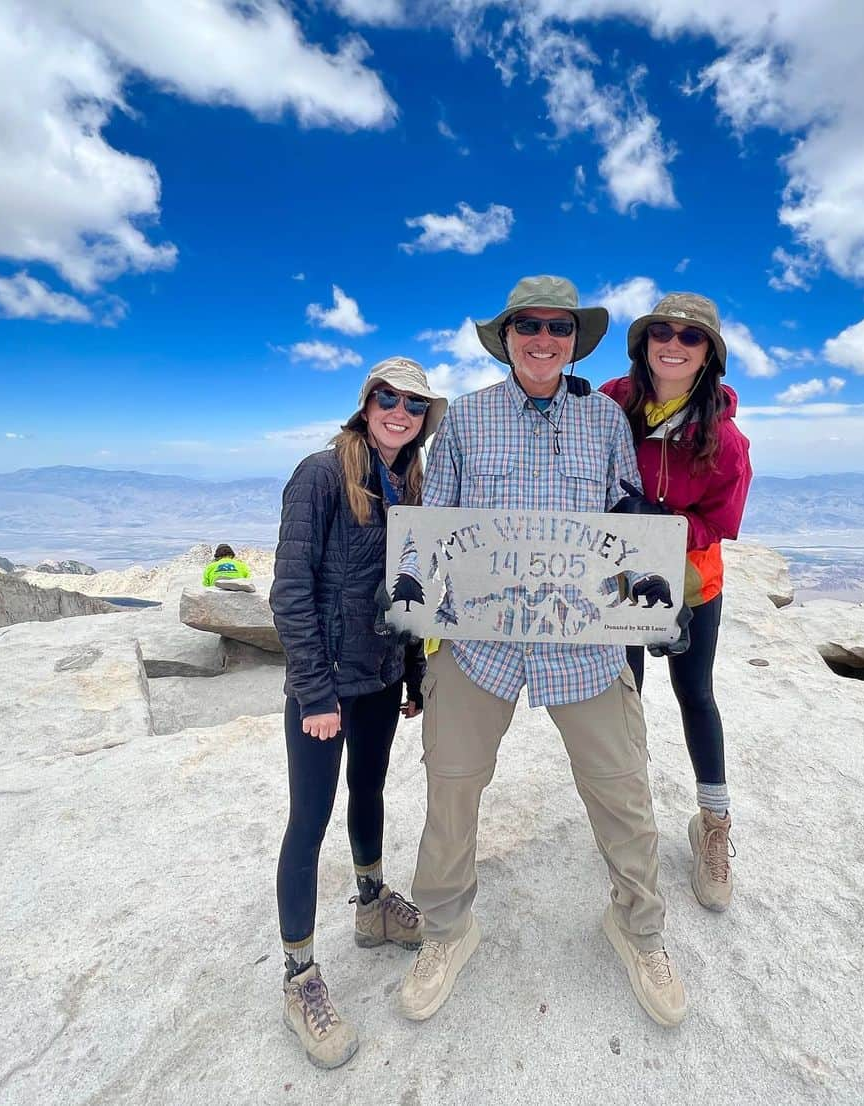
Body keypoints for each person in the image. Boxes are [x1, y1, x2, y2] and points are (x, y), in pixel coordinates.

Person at [396, 276, 687, 1029]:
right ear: (509, 334)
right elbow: (438, 523)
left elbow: (627, 527)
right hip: (480, 641)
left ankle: (638, 927)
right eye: (530, 324)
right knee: (451, 789)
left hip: (583, 644)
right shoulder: (464, 418)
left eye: (560, 327)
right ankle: (447, 930)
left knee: (623, 791)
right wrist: (411, 620)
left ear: (573, 339)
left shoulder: (603, 420)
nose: (544, 338)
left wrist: (656, 601)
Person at [270, 356, 448, 1068]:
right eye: (387, 397)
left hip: (377, 678)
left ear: (424, 418)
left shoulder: (411, 483)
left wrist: (410, 670)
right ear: (365, 404)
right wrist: (314, 693)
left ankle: (371, 903)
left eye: (413, 403)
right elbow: (290, 592)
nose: (399, 411)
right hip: (326, 686)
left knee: (369, 791)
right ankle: (299, 978)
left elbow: (408, 591)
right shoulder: (319, 474)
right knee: (308, 822)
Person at [601, 293, 752, 913]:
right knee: (622, 695)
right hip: (615, 579)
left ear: (708, 353)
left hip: (689, 581)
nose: (673, 342)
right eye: (661, 331)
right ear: (643, 344)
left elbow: (722, 519)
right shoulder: (613, 402)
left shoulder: (726, 437)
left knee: (695, 694)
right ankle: (631, 819)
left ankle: (713, 824)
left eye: (690, 337)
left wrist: (655, 523)